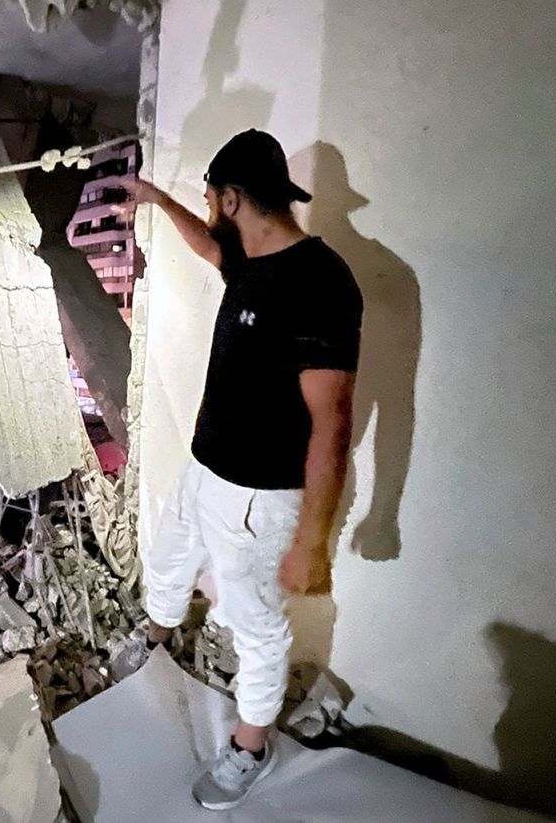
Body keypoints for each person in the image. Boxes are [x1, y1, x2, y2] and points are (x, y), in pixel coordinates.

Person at [122, 130, 362, 810]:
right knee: (167, 561)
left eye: (210, 199)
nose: (208, 213)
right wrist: (156, 199)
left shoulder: (320, 281)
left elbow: (333, 421)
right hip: (205, 470)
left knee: (256, 627)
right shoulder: (250, 258)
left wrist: (311, 540)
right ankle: (155, 641)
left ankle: (249, 748)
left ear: (233, 197)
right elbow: (208, 245)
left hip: (261, 500)